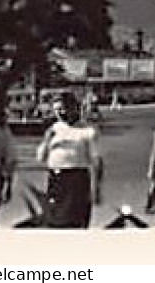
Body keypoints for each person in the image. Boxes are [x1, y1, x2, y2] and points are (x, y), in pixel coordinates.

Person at [35, 91, 102, 228]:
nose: (60, 113)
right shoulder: (53, 130)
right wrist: (47, 140)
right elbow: (41, 158)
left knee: (76, 220)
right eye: (57, 110)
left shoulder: (87, 130)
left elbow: (96, 161)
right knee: (55, 221)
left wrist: (96, 188)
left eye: (63, 109)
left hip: (77, 179)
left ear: (74, 108)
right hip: (56, 179)